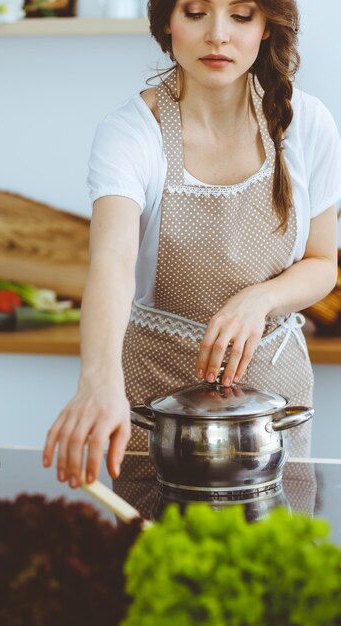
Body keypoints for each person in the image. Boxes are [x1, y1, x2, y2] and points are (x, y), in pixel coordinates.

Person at [43, 0, 341, 489]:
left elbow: (321, 263)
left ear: (267, 26)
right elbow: (112, 261)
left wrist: (257, 301)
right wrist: (99, 381)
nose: (218, 35)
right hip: (156, 396)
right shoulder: (130, 132)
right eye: (196, 12)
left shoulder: (306, 123)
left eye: (241, 16)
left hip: (272, 397)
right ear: (166, 22)